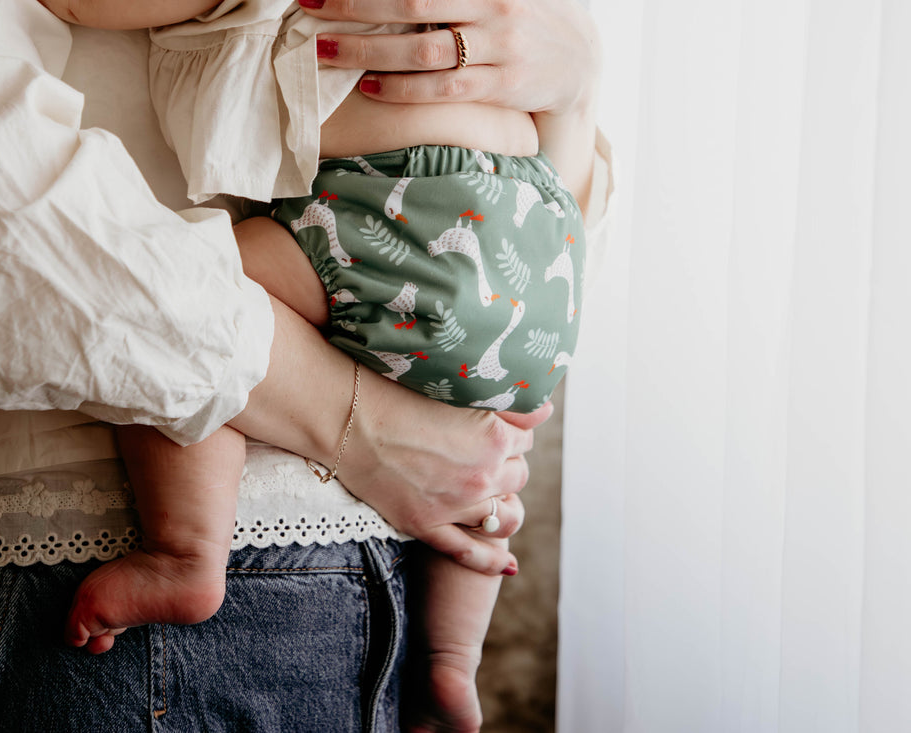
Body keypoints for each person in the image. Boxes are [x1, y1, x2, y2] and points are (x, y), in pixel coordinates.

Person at [0, 0, 609, 730]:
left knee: (198, 279)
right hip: (525, 261)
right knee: (479, 441)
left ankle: (185, 552)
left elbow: (132, 298)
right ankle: (452, 657)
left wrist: (577, 70)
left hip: (333, 519)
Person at [37, 2, 587, 728]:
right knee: (475, 424)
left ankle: (185, 552)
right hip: (541, 243)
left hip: (397, 206)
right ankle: (452, 656)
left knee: (183, 297)